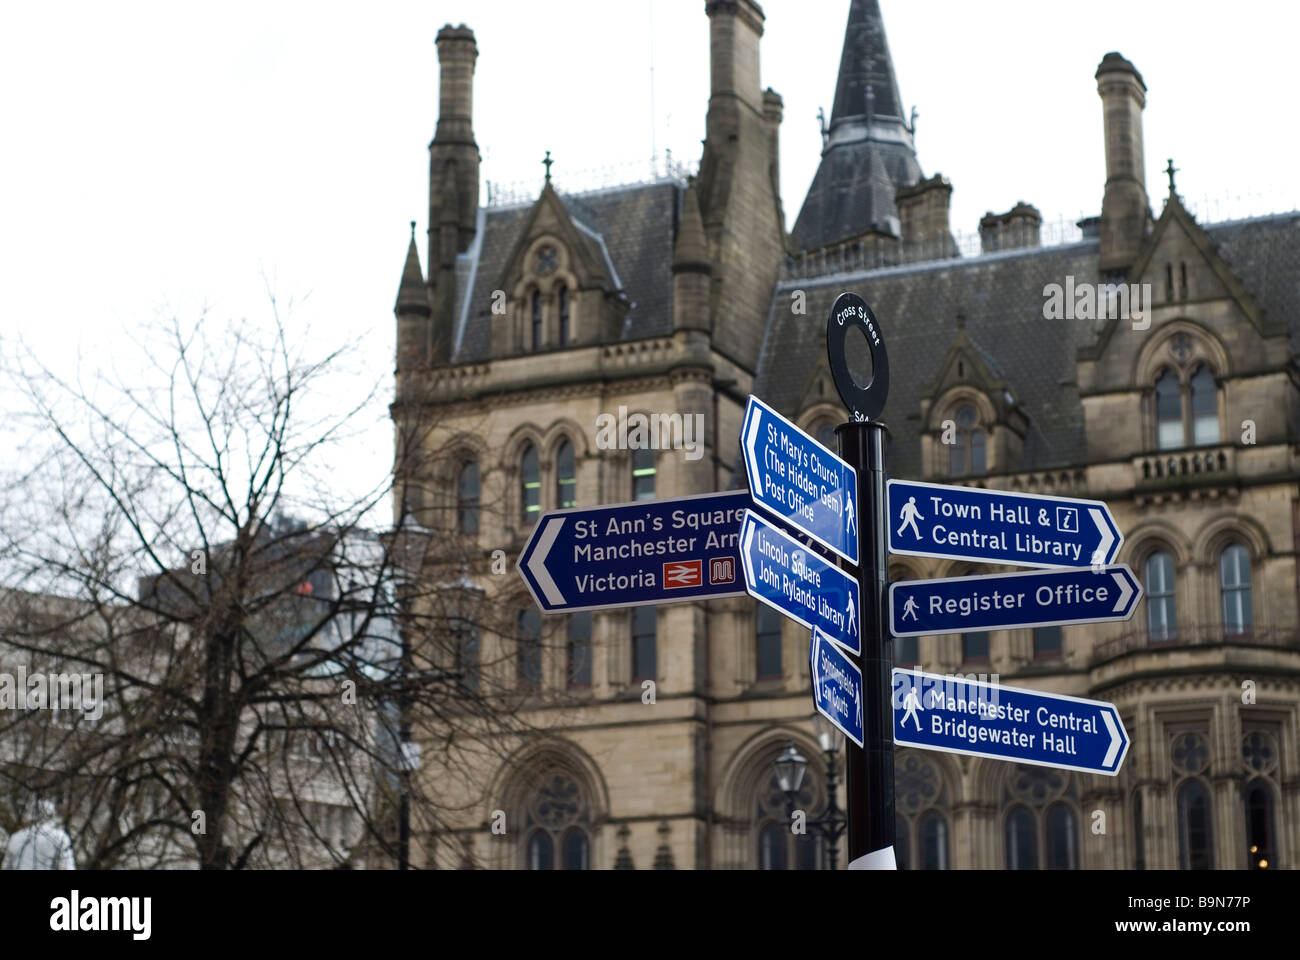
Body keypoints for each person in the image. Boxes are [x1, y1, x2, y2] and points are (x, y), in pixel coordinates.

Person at [1, 798, 76, 870]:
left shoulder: (16, 837)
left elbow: (6, 867)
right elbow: (67, 867)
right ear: (52, 815)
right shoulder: (60, 837)